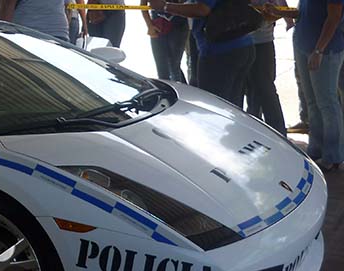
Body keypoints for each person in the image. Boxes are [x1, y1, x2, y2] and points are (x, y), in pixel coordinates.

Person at [265, 0, 344, 172]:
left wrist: (319, 50)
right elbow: (305, 13)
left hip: (324, 51)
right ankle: (315, 149)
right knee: (312, 102)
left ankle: (333, 155)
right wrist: (281, 12)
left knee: (327, 102)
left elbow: (334, 17)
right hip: (303, 45)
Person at [147, 0, 255, 108]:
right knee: (233, 108)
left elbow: (202, 9)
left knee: (214, 107)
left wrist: (165, 6)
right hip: (242, 43)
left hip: (220, 51)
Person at [244, 0, 294, 136]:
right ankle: (254, 129)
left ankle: (279, 133)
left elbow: (276, 7)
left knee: (266, 90)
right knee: (252, 91)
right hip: (242, 42)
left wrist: (287, 19)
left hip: (261, 42)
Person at [141, 0, 189, 82]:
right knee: (161, 67)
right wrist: (149, 26)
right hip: (158, 25)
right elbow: (143, 5)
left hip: (178, 25)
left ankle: (179, 91)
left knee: (174, 65)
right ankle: (167, 91)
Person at [0, 0, 70, 41]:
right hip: (59, 33)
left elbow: (7, 3)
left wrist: (3, 31)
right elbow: (68, 7)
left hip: (27, 31)